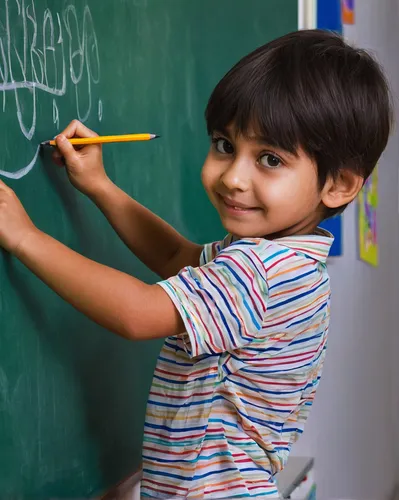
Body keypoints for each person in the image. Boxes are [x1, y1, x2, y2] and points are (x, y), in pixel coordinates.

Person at [0, 29, 392, 499]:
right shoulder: (285, 260)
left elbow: (138, 313)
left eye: (269, 159)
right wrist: (100, 187)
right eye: (225, 145)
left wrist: (26, 238)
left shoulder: (262, 271)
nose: (232, 176)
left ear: (339, 186)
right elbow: (175, 258)